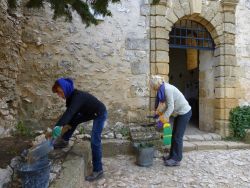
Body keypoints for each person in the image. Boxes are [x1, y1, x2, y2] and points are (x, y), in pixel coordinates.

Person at [52, 78, 107, 181]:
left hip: (99, 113)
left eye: (60, 92)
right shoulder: (70, 98)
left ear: (66, 88)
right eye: (58, 94)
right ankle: (64, 141)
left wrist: (58, 126)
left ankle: (98, 171)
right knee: (73, 121)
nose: (59, 96)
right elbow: (70, 114)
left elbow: (70, 112)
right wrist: (61, 125)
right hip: (88, 112)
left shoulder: (78, 97)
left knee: (95, 141)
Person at [150, 75, 192, 167]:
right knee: (174, 135)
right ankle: (172, 156)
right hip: (179, 113)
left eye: (153, 87)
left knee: (178, 136)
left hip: (184, 113)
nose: (154, 89)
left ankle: (176, 159)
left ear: (156, 85)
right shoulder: (164, 88)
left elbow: (171, 107)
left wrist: (162, 119)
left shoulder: (167, 89)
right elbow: (165, 105)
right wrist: (158, 114)